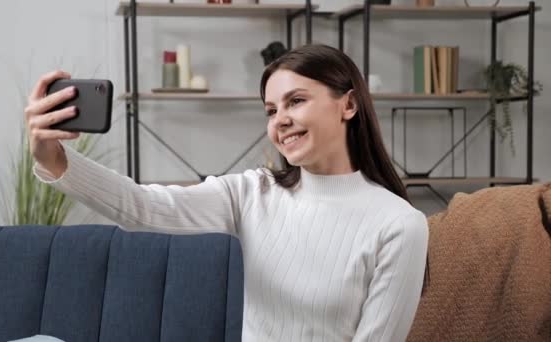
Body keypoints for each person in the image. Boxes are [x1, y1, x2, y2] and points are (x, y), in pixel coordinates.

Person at [26, 44, 429, 342]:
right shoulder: (252, 192)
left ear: (349, 105)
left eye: (296, 101)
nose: (281, 121)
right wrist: (54, 158)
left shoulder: (398, 224)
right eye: (271, 110)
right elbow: (141, 207)